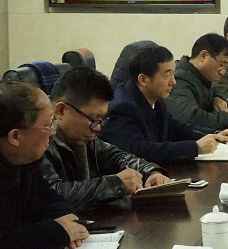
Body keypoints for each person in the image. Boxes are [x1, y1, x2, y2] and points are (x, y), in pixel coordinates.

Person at [0, 80, 88, 249]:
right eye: (48, 126)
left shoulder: (23, 160)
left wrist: (67, 219)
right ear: (15, 136)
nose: (53, 133)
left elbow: (49, 198)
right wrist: (55, 233)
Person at [41, 67, 171, 211]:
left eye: (101, 120)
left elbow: (116, 157)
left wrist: (151, 172)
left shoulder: (82, 136)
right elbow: (53, 195)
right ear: (61, 111)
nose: (98, 128)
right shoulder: (37, 139)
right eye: (93, 119)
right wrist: (116, 184)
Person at [98, 45, 228, 163]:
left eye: (173, 74)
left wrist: (215, 134)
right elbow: (138, 151)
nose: (173, 82)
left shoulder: (154, 98)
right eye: (167, 74)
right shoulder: (122, 108)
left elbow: (175, 128)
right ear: (143, 80)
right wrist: (195, 148)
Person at [166, 33, 228, 128]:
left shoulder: (202, 77)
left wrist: (219, 97)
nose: (222, 72)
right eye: (221, 64)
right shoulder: (179, 80)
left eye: (225, 67)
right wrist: (226, 117)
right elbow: (189, 118)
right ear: (203, 56)